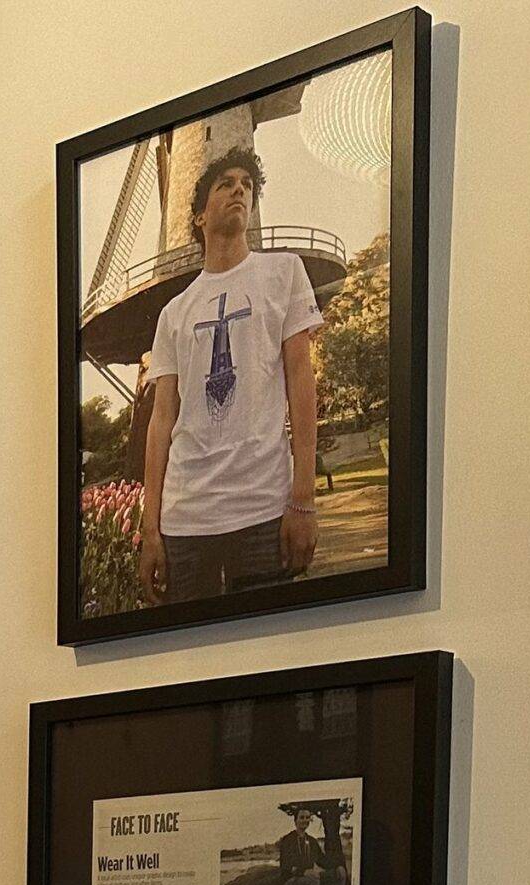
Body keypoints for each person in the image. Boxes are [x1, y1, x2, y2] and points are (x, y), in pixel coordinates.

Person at [138, 145, 320, 607]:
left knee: (268, 654)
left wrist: (303, 498)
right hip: (186, 515)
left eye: (248, 186)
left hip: (261, 504)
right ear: (199, 216)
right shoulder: (174, 313)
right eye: (226, 184)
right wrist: (150, 524)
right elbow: (162, 420)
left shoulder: (283, 274)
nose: (240, 190)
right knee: (188, 663)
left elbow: (301, 380)